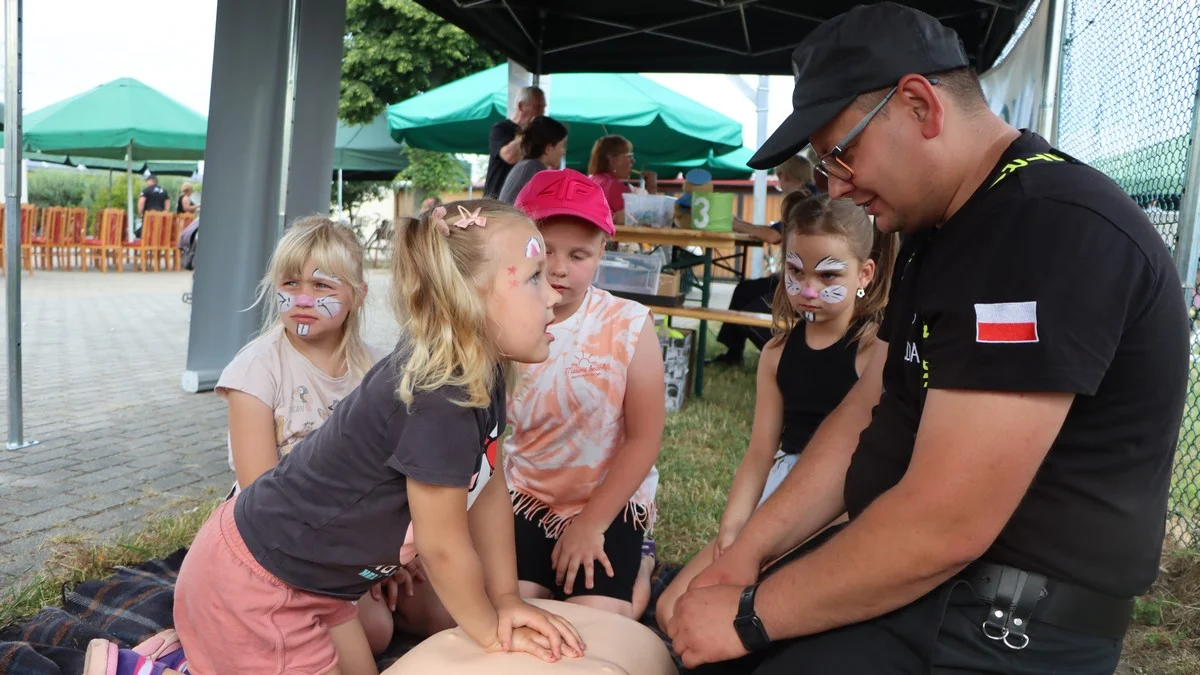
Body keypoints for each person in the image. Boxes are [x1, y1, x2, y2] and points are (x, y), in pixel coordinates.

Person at [666, 4, 1188, 674]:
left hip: (1000, 628)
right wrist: (743, 553)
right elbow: (869, 408)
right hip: (926, 591)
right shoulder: (939, 227)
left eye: (841, 152)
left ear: (919, 105)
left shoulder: (1041, 230)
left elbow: (946, 523)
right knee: (677, 614)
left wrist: (749, 614)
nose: (836, 186)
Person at [174, 200, 586, 674]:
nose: (554, 293)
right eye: (534, 277)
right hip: (260, 586)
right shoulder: (440, 396)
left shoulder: (481, 370)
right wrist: (492, 635)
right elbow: (443, 547)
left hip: (324, 585)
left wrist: (506, 597)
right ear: (467, 296)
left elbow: (488, 484)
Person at [656, 193, 897, 632]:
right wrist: (734, 527)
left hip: (839, 504)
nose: (809, 290)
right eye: (795, 271)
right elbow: (759, 451)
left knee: (750, 615)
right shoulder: (774, 354)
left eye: (829, 276)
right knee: (671, 609)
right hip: (776, 496)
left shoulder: (872, 351)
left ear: (864, 273)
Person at [213, 217, 405, 654]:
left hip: (358, 537)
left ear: (357, 296)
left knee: (435, 611)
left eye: (323, 287)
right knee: (374, 632)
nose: (302, 298)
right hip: (274, 541)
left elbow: (392, 481)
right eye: (290, 282)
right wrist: (353, 566)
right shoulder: (254, 370)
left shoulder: (378, 373)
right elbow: (263, 498)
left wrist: (387, 562)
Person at [506, 169, 665, 620]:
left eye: (578, 255)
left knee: (600, 619)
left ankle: (642, 562)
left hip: (608, 500)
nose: (558, 268)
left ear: (602, 253)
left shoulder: (629, 323)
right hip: (527, 497)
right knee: (519, 608)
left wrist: (592, 524)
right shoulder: (499, 322)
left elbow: (644, 438)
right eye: (546, 250)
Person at [712, 156, 818, 366]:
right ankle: (734, 353)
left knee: (751, 309)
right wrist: (740, 224)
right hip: (796, 277)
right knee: (744, 290)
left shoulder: (804, 200)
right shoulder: (808, 196)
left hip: (803, 282)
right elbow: (776, 232)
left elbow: (774, 235)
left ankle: (782, 360)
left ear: (784, 175)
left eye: (779, 176)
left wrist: (735, 224)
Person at [485, 86, 546, 199]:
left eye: (543, 107)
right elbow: (509, 156)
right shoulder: (501, 128)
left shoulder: (539, 135)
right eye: (537, 107)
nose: (542, 112)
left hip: (522, 202)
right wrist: (529, 129)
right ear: (520, 106)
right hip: (496, 201)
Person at [498, 116, 569, 203]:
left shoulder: (526, 165)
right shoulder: (534, 168)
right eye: (562, 145)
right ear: (548, 149)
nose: (563, 152)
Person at [587, 135, 656, 220]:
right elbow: (645, 218)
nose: (633, 161)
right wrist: (652, 188)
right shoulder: (614, 186)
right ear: (612, 160)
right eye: (629, 156)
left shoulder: (591, 180)